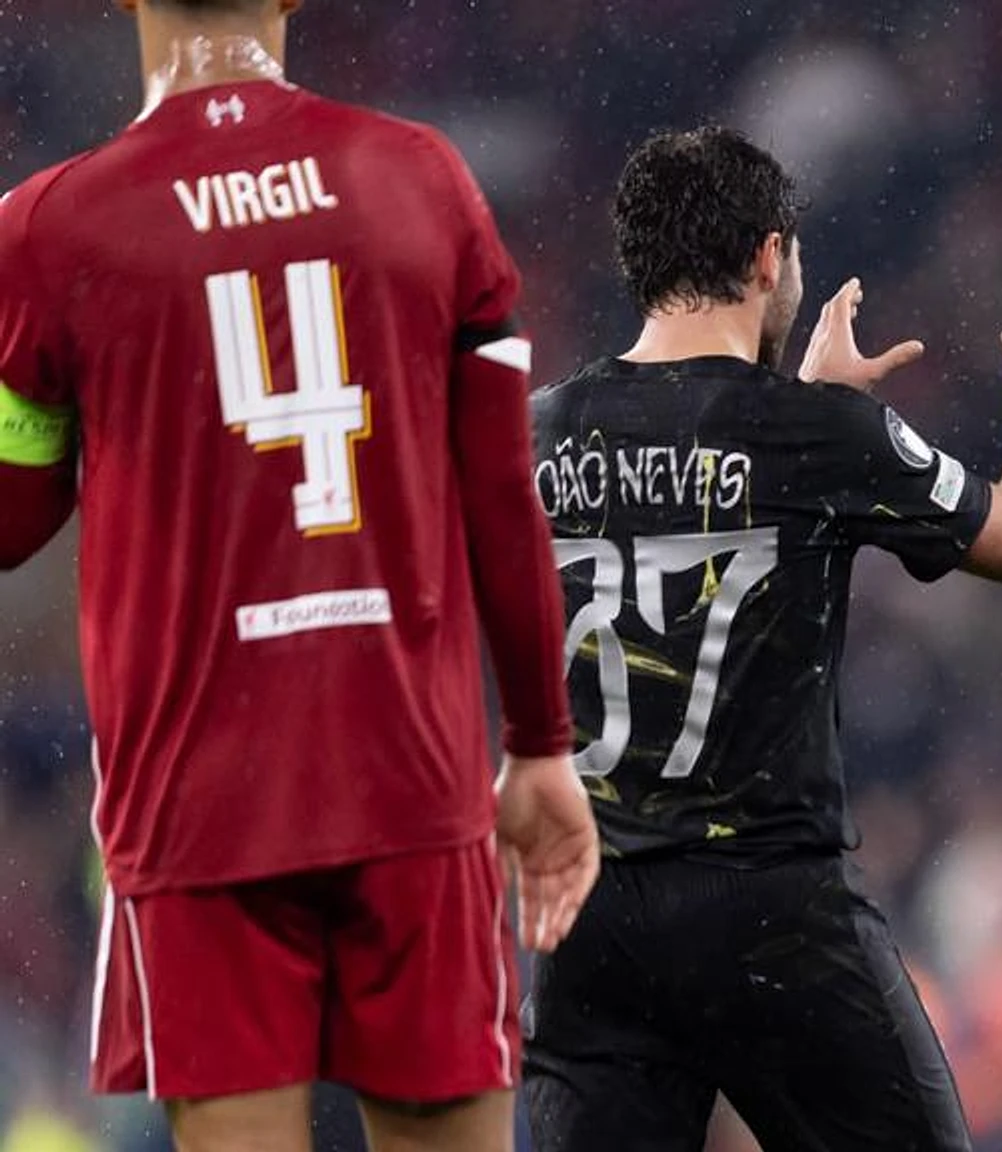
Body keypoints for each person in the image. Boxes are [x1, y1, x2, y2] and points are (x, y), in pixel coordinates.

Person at [0, 2, 600, 1149]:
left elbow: (11, 517)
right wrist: (538, 743)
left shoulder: (48, 228)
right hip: (409, 780)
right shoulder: (420, 177)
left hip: (198, 806)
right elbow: (500, 493)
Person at [519, 125, 1002, 1152]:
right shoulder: (811, 434)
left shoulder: (534, 431)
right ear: (769, 257)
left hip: (590, 913)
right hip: (768, 911)